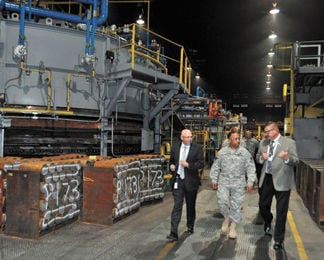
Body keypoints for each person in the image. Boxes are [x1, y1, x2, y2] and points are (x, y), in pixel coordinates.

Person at [256, 121, 299, 250]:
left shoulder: (289, 143)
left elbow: (295, 161)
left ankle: (279, 239)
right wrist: (262, 158)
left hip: (282, 180)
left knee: (281, 211)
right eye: (265, 132)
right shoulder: (263, 143)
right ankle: (268, 220)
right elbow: (257, 158)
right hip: (267, 178)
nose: (266, 134)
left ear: (275, 130)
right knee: (263, 205)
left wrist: (286, 158)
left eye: (268, 131)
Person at [210, 131, 256, 239]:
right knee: (222, 201)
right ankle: (226, 218)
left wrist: (250, 182)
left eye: (238, 139)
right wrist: (214, 180)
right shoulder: (222, 152)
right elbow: (216, 166)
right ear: (229, 140)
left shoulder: (244, 153)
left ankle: (233, 227)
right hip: (224, 181)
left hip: (239, 182)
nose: (238, 141)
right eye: (235, 139)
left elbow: (250, 167)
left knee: (236, 204)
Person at [166, 129, 204, 242]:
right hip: (178, 180)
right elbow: (172, 160)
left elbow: (201, 163)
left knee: (190, 206)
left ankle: (190, 226)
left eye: (190, 137)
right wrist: (172, 166)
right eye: (186, 137)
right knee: (177, 206)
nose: (189, 139)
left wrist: (188, 165)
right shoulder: (175, 147)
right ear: (181, 138)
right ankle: (173, 232)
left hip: (191, 182)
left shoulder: (197, 148)